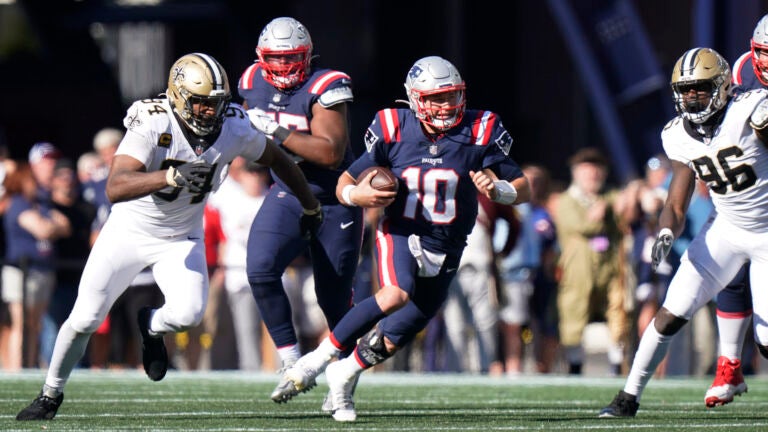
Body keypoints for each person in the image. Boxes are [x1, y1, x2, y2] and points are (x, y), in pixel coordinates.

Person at [15, 52, 322, 421]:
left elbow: (279, 159)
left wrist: (310, 206)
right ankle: (51, 393)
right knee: (84, 319)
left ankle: (151, 325)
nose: (210, 112)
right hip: (128, 231)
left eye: (216, 104)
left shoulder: (234, 127)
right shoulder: (152, 121)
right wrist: (168, 177)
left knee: (190, 314)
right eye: (201, 103)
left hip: (181, 236)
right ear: (178, 96)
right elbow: (116, 185)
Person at [272, 55, 530, 422]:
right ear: (414, 98)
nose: (445, 106)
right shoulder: (393, 126)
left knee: (400, 331)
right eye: (435, 98)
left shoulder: (480, 129)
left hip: (450, 244)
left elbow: (524, 187)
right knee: (396, 293)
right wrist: (355, 197)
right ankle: (314, 361)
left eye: (451, 96)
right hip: (402, 231)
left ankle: (343, 376)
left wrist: (500, 189)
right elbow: (348, 178)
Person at [599, 47, 768, 418]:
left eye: (700, 89)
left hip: (767, 232)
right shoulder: (678, 134)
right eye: (685, 89)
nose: (691, 97)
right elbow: (677, 201)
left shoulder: (753, 107)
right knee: (670, 313)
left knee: (766, 338)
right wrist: (664, 234)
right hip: (726, 227)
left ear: (723, 87)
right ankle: (627, 397)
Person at [237, 16, 363, 400]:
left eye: (291, 57)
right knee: (260, 270)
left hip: (334, 198)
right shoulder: (252, 81)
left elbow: (330, 152)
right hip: (289, 192)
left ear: (308, 56)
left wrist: (275, 131)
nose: (282, 66)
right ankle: (292, 363)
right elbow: (248, 146)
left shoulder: (327, 85)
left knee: (334, 300)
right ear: (262, 57)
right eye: (275, 58)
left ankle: (342, 383)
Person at [697, 13, 768, 407]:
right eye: (765, 53)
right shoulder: (740, 70)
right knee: (732, 273)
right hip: (750, 187)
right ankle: (730, 364)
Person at [554, 147, 634, 376]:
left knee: (619, 312)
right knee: (573, 316)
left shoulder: (609, 196)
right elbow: (584, 225)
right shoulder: (567, 201)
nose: (593, 177)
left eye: (597, 172)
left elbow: (626, 207)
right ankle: (574, 365)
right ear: (576, 173)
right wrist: (605, 211)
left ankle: (617, 364)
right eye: (588, 172)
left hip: (610, 266)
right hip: (578, 271)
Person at [2, 162, 71, 370]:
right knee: (20, 324)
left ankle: (29, 365)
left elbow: (65, 226)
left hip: (43, 269)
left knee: (35, 325)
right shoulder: (18, 203)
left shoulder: (40, 203)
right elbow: (42, 230)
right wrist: (52, 226)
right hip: (21, 272)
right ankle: (16, 367)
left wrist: (52, 226)